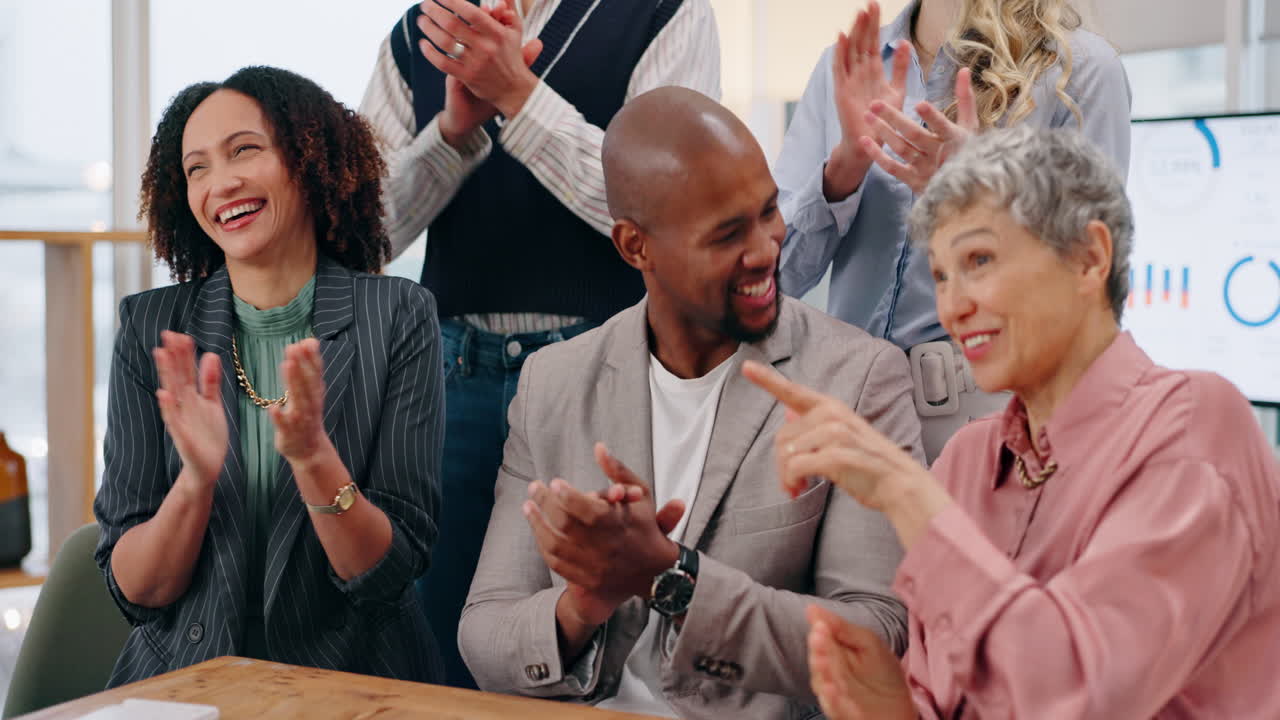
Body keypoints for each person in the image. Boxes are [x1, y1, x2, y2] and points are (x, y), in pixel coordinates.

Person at [747, 126, 1280, 719]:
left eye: (979, 260)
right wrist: (891, 708)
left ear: (1089, 258)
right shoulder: (967, 462)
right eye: (942, 276)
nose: (952, 307)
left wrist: (906, 493)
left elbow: (1082, 694)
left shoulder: (1194, 425)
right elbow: (939, 695)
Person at [457, 87, 921, 720]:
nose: (765, 249)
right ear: (634, 247)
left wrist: (671, 577)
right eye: (727, 234)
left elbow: (876, 639)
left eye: (768, 212)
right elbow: (484, 634)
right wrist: (587, 601)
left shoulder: (858, 378)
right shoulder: (553, 382)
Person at [359, 0, 721, 687]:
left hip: (607, 370)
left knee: (601, 636)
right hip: (449, 373)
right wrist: (452, 135)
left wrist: (519, 99)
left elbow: (669, 205)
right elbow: (366, 235)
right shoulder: (419, 31)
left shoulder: (663, 13)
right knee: (439, 637)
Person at [94, 66, 446, 686]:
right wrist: (195, 483)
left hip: (355, 683)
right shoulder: (151, 326)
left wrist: (313, 458)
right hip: (185, 683)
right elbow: (136, 592)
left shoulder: (397, 316)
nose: (220, 183)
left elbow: (387, 575)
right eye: (196, 167)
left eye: (244, 151)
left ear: (310, 159)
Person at [776, 0, 1132, 462]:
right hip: (846, 409)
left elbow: (1091, 290)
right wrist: (845, 165)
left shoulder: (1081, 72)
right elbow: (778, 274)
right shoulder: (843, 68)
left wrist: (987, 193)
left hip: (989, 420)